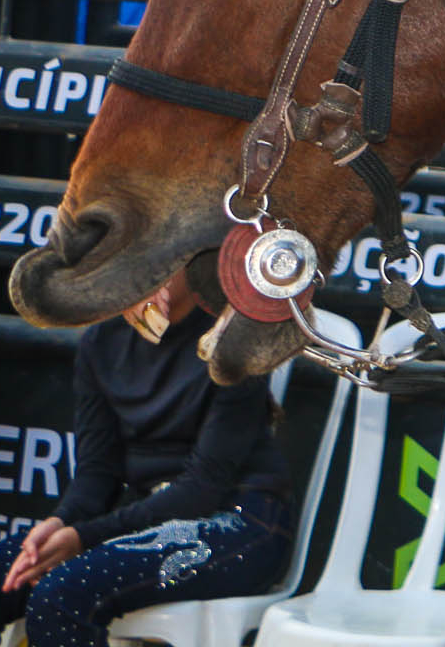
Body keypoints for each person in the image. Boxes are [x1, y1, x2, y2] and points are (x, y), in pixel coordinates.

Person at [0, 271, 293, 647]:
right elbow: (96, 473)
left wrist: (82, 537)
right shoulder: (100, 343)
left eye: (163, 250)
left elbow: (201, 489)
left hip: (239, 520)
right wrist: (60, 523)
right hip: (143, 515)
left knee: (61, 595)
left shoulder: (234, 340)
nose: (148, 264)